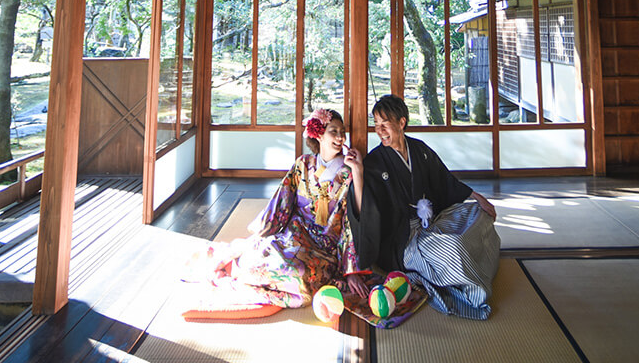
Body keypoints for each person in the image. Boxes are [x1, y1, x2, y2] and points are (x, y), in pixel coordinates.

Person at [196, 108, 369, 308]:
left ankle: (259, 279)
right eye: (334, 131)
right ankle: (244, 269)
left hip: (324, 244)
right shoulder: (302, 164)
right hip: (295, 232)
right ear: (319, 134)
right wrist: (264, 230)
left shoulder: (347, 171)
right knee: (261, 256)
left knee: (304, 278)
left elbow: (354, 215)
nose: (340, 137)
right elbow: (282, 201)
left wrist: (358, 171)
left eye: (342, 131)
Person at [346, 94, 500, 319]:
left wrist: (477, 197)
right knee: (453, 248)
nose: (379, 130)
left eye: (385, 124)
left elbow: (445, 180)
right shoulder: (375, 162)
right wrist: (358, 173)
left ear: (401, 122)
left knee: (477, 214)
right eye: (376, 125)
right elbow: (366, 209)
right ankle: (474, 294)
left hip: (430, 221)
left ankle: (473, 266)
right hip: (402, 239)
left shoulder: (420, 150)